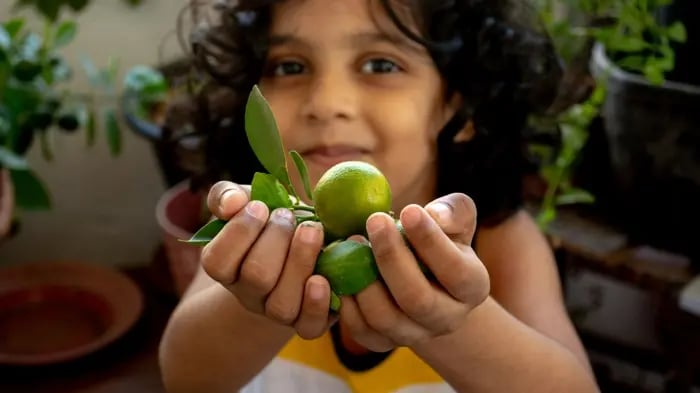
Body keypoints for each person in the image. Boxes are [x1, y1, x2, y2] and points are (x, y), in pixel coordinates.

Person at [158, 0, 600, 392]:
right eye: (290, 66)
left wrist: (449, 321)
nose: (327, 102)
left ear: (458, 108)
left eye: (380, 65)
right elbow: (187, 378)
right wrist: (257, 296)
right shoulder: (260, 218)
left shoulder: (502, 241)